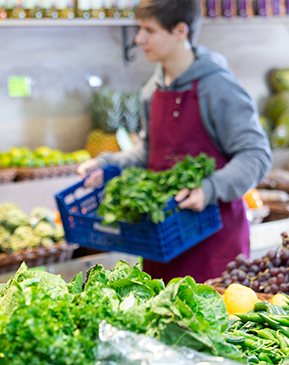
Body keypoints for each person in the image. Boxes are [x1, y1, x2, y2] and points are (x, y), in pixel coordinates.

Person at [77, 0, 272, 284]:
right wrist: (107, 165)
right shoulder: (151, 92)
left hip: (214, 245)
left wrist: (209, 188)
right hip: (161, 242)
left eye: (149, 30)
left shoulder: (218, 87)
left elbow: (256, 155)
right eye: (139, 29)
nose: (139, 39)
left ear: (180, 31)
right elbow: (149, 150)